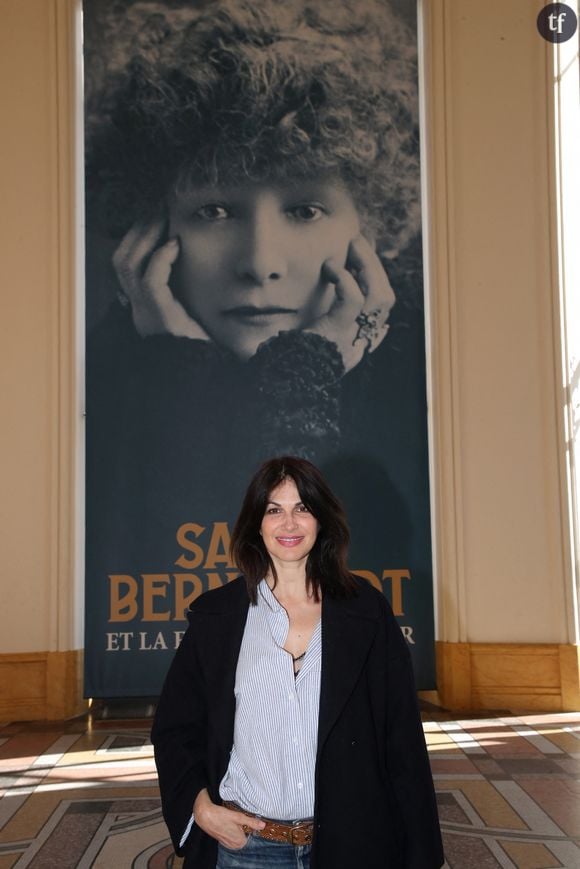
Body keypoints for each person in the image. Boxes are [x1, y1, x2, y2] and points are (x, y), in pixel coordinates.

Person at [84, 0, 434, 698]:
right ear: (150, 230)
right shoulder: (104, 377)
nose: (261, 262)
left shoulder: (416, 382)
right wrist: (186, 375)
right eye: (215, 210)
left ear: (369, 226)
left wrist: (296, 372)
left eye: (304, 210)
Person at [152, 456, 444, 868]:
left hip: (352, 842)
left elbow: (402, 744)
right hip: (246, 848)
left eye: (302, 508)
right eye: (274, 510)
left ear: (322, 520)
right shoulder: (215, 617)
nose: (289, 524)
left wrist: (421, 855)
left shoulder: (367, 613)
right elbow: (174, 730)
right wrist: (200, 807)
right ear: (256, 524)